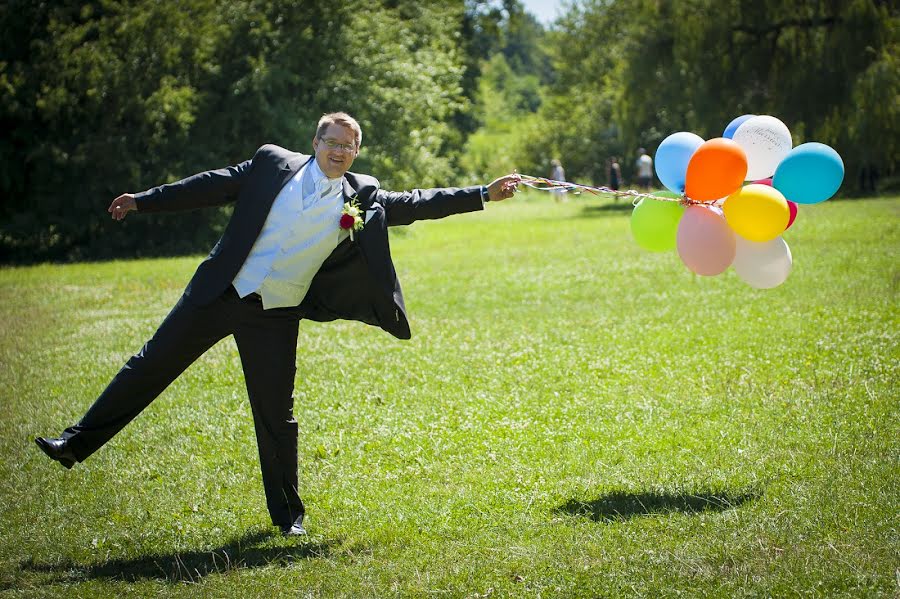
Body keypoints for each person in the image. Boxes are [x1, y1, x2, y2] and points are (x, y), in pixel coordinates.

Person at [34, 112, 520, 538]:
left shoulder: (362, 195)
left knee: (276, 417)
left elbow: (418, 202)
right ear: (315, 143)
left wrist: (483, 193)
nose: (340, 152)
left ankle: (288, 517)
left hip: (277, 313)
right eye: (332, 143)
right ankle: (74, 444)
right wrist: (144, 200)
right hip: (219, 294)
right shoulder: (271, 164)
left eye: (349, 146)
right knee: (148, 365)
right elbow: (210, 184)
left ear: (356, 152)